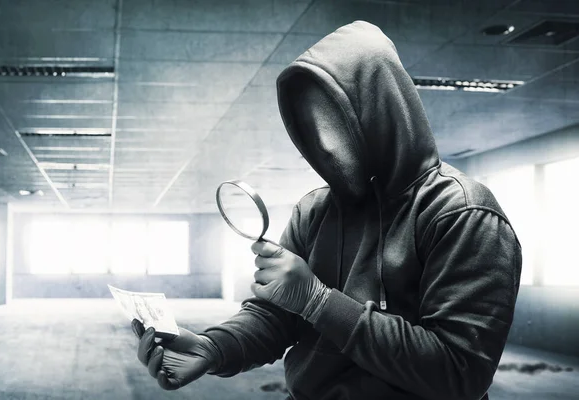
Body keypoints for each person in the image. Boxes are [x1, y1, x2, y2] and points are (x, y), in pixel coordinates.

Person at [132, 20, 522, 400]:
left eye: (334, 123)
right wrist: (214, 348)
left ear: (380, 111)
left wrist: (319, 301)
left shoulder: (463, 214)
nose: (323, 145)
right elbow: (276, 317)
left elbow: (458, 372)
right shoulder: (315, 210)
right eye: (310, 129)